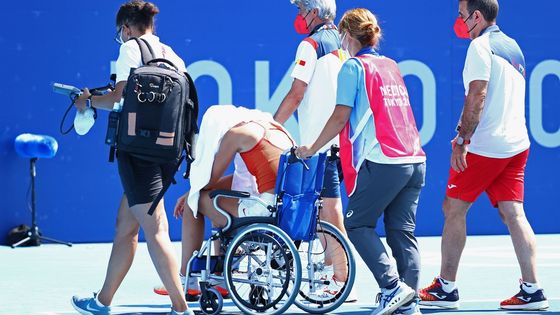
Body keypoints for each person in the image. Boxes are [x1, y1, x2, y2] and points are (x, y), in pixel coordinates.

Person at [418, 0, 549, 311]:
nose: (459, 20)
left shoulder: (479, 47)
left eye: (462, 15)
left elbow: (478, 95)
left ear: (476, 16)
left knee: (453, 208)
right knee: (513, 214)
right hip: (516, 144)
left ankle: (445, 287)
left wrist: (463, 139)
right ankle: (533, 289)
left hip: (484, 146)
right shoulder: (514, 46)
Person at [296, 8, 427, 315]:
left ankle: (393, 287)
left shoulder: (353, 67)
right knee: (401, 232)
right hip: (415, 160)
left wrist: (312, 147)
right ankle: (409, 304)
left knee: (356, 223)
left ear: (347, 35)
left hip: (384, 161)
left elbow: (341, 116)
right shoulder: (390, 64)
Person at [70, 1, 193, 314]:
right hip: (168, 153)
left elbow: (116, 99)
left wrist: (87, 102)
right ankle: (102, 301)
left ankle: (181, 308)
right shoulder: (173, 55)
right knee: (125, 227)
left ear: (126, 28)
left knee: (156, 231)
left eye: (120, 32)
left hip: (138, 153)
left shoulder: (128, 50)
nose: (121, 37)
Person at [152, 105, 294, 299]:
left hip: (264, 211)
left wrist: (190, 193)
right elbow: (244, 178)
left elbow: (209, 178)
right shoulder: (272, 128)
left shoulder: (236, 134)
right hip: (285, 209)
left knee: (197, 201)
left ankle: (186, 278)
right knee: (215, 199)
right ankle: (220, 276)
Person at [274, 0, 357, 302]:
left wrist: (269, 126)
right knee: (325, 211)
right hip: (343, 144)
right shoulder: (345, 43)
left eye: (300, 10)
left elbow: (297, 94)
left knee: (329, 213)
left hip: (320, 147)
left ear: (314, 12)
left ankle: (341, 280)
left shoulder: (309, 45)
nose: (298, 16)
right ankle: (331, 270)